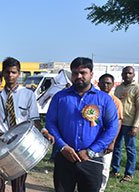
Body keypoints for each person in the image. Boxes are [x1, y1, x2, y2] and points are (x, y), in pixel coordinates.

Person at [46, 57, 118, 192]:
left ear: (91, 74)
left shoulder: (104, 99)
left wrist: (91, 151)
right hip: (64, 158)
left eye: (83, 73)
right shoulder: (60, 97)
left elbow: (111, 127)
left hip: (91, 160)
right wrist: (62, 147)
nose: (78, 76)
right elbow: (50, 123)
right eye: (75, 73)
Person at [0, 57, 53, 192]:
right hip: (2, 143)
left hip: (20, 145)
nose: (10, 75)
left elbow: (35, 121)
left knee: (18, 185)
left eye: (13, 72)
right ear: (3, 73)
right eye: (7, 72)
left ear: (19, 73)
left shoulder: (28, 95)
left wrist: (45, 132)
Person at [111, 66, 139, 183]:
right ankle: (115, 170)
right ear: (121, 75)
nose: (127, 75)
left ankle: (129, 174)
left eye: (129, 73)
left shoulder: (136, 88)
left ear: (133, 75)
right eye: (125, 73)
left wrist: (135, 125)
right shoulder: (118, 88)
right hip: (118, 122)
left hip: (130, 123)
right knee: (116, 147)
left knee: (130, 149)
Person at [97, 74, 123, 192]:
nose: (105, 85)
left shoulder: (116, 102)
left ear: (113, 85)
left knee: (104, 167)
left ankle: (100, 189)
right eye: (103, 82)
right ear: (98, 83)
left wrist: (112, 142)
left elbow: (118, 123)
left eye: (108, 83)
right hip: (92, 138)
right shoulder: (93, 98)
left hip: (106, 139)